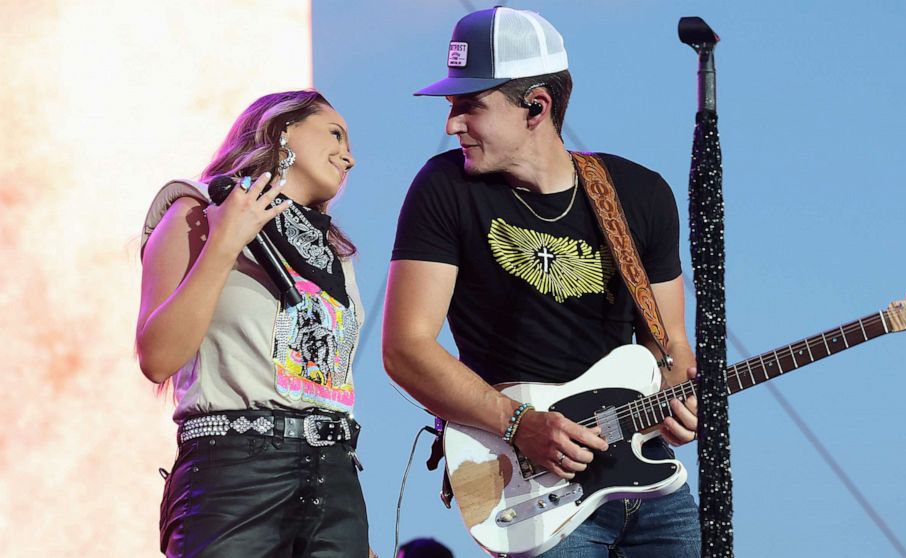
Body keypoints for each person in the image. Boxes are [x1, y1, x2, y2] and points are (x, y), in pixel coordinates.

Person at [382, 7, 701, 558]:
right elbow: (405, 349)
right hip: (531, 491)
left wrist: (680, 400)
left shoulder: (639, 193)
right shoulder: (445, 187)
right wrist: (519, 425)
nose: (451, 124)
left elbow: (668, 343)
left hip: (647, 485)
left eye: (470, 106)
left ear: (537, 106)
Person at [137, 90, 370, 557]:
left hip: (336, 480)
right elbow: (157, 357)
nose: (350, 156)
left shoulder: (337, 256)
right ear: (283, 130)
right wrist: (225, 242)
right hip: (235, 477)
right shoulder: (196, 214)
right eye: (335, 134)